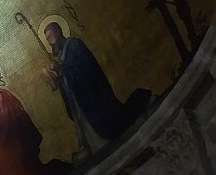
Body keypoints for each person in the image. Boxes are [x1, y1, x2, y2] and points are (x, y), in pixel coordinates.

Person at [42, 22, 150, 157]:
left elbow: (85, 71)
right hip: (82, 108)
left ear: (58, 32)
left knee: (112, 132)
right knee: (98, 146)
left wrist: (62, 69)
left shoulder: (75, 45)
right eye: (47, 39)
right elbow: (68, 82)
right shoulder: (61, 56)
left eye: (50, 37)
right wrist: (56, 80)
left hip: (94, 101)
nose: (50, 43)